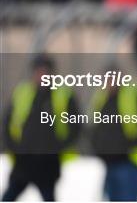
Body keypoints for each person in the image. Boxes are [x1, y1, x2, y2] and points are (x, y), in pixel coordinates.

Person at [2, 55, 81, 201]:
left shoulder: (62, 94)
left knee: (48, 197)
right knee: (9, 196)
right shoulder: (22, 92)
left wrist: (59, 145)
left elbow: (76, 125)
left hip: (48, 162)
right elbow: (8, 122)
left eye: (46, 72)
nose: (42, 75)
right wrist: (14, 146)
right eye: (39, 71)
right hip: (23, 160)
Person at [90, 77, 137, 201]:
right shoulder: (101, 98)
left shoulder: (133, 95)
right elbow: (94, 128)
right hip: (109, 162)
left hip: (130, 161)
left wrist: (129, 145)